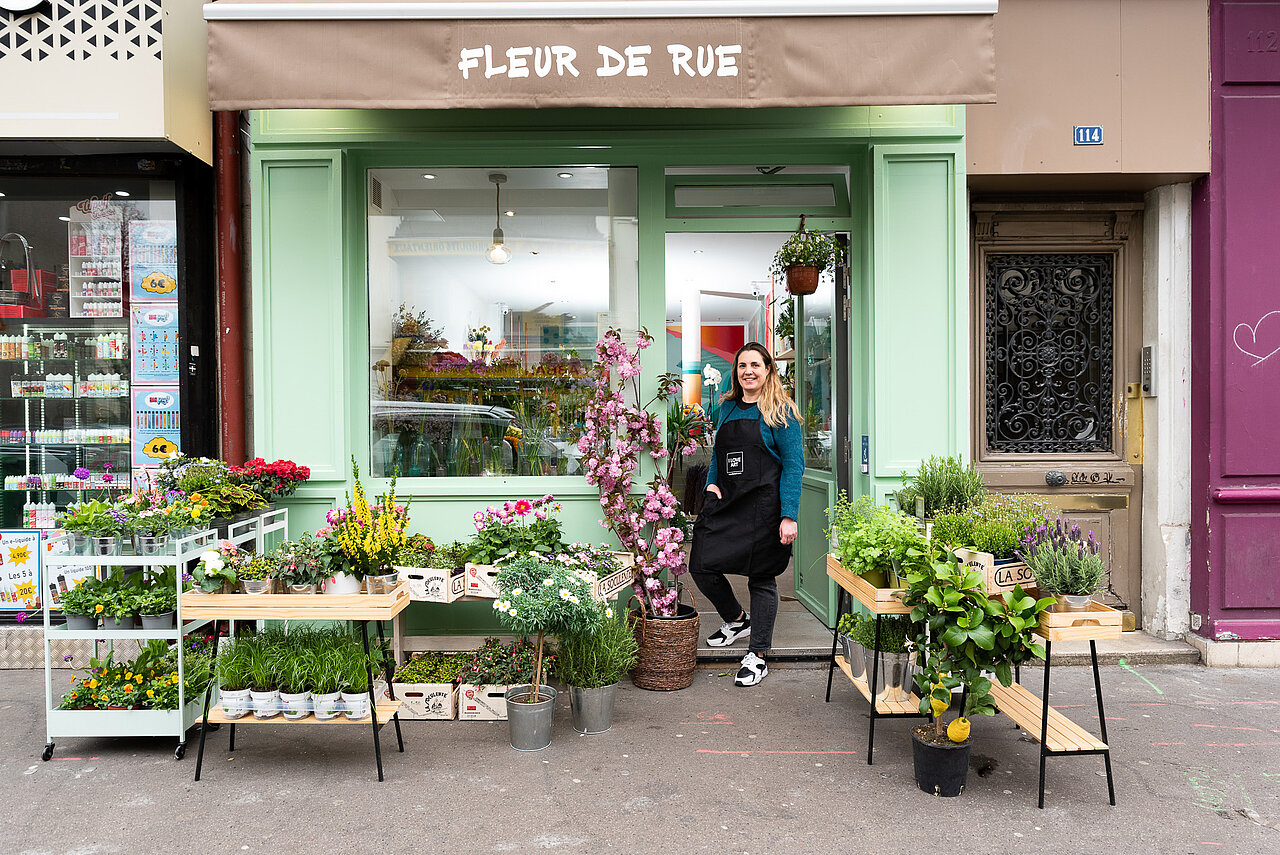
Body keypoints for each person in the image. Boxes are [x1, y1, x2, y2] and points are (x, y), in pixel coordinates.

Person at [688, 341, 803, 687]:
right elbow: (718, 458)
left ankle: (758, 655)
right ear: (736, 373)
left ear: (768, 370)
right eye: (742, 366)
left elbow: (794, 467)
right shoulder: (727, 408)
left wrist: (789, 515)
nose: (748, 371)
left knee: (762, 577)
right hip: (728, 501)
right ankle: (737, 619)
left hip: (766, 507)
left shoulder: (781, 412)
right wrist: (710, 485)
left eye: (755, 365)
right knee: (701, 564)